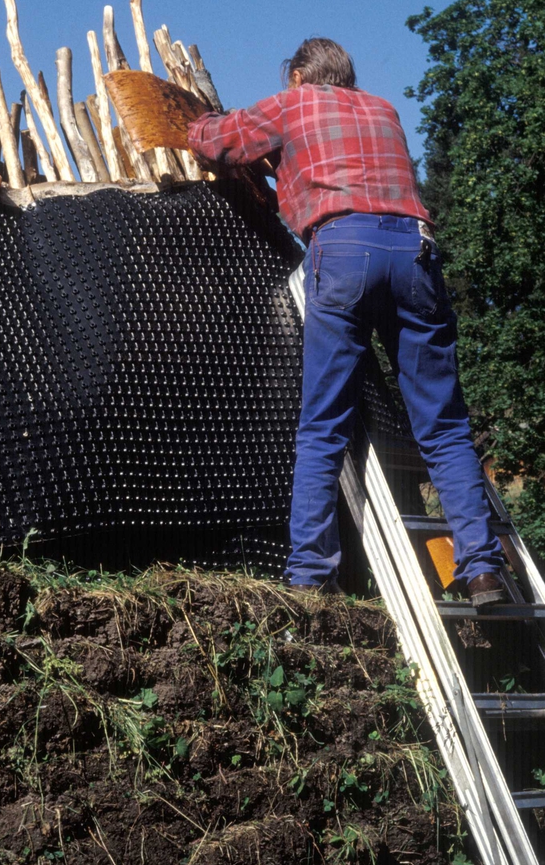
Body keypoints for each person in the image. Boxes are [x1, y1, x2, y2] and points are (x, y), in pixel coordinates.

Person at [188, 38, 505, 606]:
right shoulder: (384, 109)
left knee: (323, 423)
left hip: (344, 249)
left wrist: (195, 119)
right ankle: (482, 569)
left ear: (303, 75)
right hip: (416, 253)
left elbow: (218, 141)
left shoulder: (297, 102)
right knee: (446, 426)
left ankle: (310, 573)